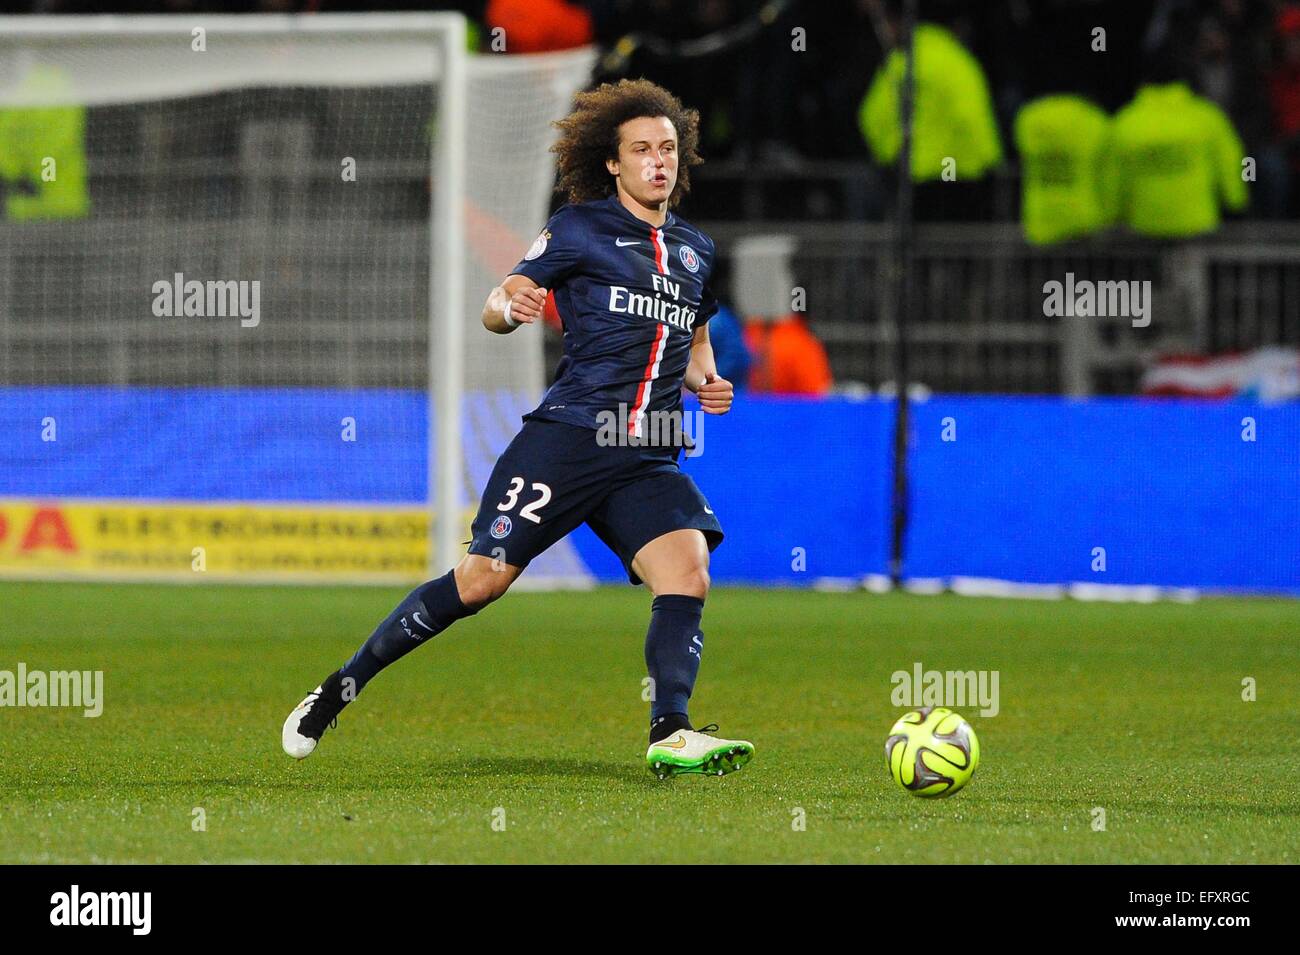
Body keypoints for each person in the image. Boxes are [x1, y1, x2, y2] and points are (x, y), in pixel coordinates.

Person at [282, 79, 754, 779]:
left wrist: (707, 380)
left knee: (687, 571)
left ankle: (671, 729)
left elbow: (695, 336)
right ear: (613, 164)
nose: (660, 161)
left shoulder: (694, 250)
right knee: (480, 582)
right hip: (567, 438)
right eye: (642, 150)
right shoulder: (578, 228)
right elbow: (497, 304)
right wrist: (512, 305)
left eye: (668, 148)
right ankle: (338, 688)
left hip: (646, 452)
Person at [1112, 55, 1248, 237]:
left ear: (1143, 82)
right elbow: (1229, 162)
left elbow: (1112, 178)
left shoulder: (1124, 122)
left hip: (1143, 226)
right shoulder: (1207, 116)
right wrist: (1236, 206)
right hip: (1198, 224)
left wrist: (1113, 214)